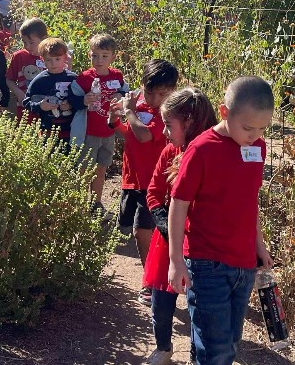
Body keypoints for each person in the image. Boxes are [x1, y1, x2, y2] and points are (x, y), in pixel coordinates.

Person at [168, 76, 274, 365]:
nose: (255, 135)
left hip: (243, 264)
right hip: (207, 263)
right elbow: (178, 204)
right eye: (248, 127)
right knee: (218, 351)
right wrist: (175, 259)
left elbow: (249, 200)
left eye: (263, 128)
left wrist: (259, 244)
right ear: (225, 112)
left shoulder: (258, 148)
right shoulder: (202, 149)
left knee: (227, 341)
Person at [143, 87, 217, 365]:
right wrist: (164, 223)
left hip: (202, 244)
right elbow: (153, 191)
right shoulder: (170, 152)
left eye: (168, 125)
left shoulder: (214, 153)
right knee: (161, 302)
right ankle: (163, 348)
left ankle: (198, 355)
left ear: (188, 121)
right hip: (170, 241)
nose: (163, 132)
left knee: (202, 310)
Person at [107, 59, 180, 304]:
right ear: (142, 86)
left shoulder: (169, 113)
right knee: (140, 232)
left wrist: (128, 112)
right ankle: (155, 277)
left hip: (156, 183)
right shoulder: (138, 103)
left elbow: (146, 136)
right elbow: (130, 135)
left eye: (162, 94)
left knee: (142, 231)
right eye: (150, 92)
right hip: (133, 178)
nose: (154, 99)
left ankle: (151, 282)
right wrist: (115, 119)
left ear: (172, 92)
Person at [75, 33, 129, 214]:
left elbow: (125, 90)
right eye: (94, 55)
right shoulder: (84, 77)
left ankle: (96, 203)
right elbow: (71, 98)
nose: (99, 60)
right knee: (84, 169)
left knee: (101, 168)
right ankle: (80, 204)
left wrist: (120, 95)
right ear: (89, 54)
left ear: (113, 57)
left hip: (109, 132)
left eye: (105, 56)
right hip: (89, 132)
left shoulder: (117, 75)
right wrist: (83, 99)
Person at [23, 38, 94, 151]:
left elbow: (82, 102)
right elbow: (26, 102)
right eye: (49, 60)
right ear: (42, 60)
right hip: (48, 132)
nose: (53, 63)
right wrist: (40, 106)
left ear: (65, 58)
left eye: (57, 59)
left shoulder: (73, 78)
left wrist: (71, 104)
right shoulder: (39, 80)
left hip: (71, 131)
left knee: (70, 164)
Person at [8, 17, 49, 120]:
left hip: (46, 109)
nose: (27, 46)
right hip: (25, 108)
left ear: (44, 39)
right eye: (24, 42)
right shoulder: (19, 56)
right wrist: (19, 93)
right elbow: (9, 79)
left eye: (31, 43)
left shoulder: (51, 57)